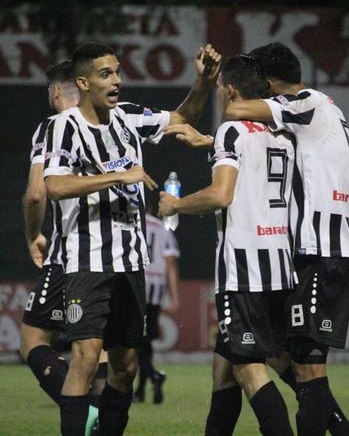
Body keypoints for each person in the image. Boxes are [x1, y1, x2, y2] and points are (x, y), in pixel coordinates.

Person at [43, 41, 221, 436]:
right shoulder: (64, 127)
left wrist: (203, 82)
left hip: (132, 262)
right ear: (83, 82)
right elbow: (54, 185)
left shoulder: (129, 119)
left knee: (126, 366)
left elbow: (181, 118)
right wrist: (119, 176)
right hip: (86, 261)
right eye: (106, 74)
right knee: (86, 358)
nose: (117, 80)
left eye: (118, 72)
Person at [225, 42, 349, 436]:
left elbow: (237, 110)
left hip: (322, 250)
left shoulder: (306, 102)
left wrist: (234, 94)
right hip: (322, 249)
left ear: (268, 83)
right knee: (288, 356)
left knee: (307, 364)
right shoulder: (320, 111)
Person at [159, 54, 296, 436]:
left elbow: (221, 195)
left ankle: (322, 414)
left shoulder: (230, 131)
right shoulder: (280, 133)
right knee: (224, 372)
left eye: (220, 89)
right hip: (279, 266)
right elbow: (252, 171)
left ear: (230, 91)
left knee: (249, 371)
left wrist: (176, 204)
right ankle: (324, 410)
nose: (219, 95)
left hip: (245, 273)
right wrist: (208, 142)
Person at [20, 60, 106, 434]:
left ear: (56, 91)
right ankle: (103, 420)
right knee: (98, 348)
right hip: (117, 254)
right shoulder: (109, 122)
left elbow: (37, 194)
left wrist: (32, 234)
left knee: (33, 340)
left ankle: (82, 410)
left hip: (71, 251)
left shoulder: (53, 127)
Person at [133, 201, 181, 405]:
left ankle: (152, 377)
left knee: (134, 341)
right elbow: (170, 263)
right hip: (155, 290)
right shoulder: (163, 228)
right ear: (151, 208)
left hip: (136, 286)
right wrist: (175, 295)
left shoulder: (131, 224)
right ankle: (142, 389)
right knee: (146, 342)